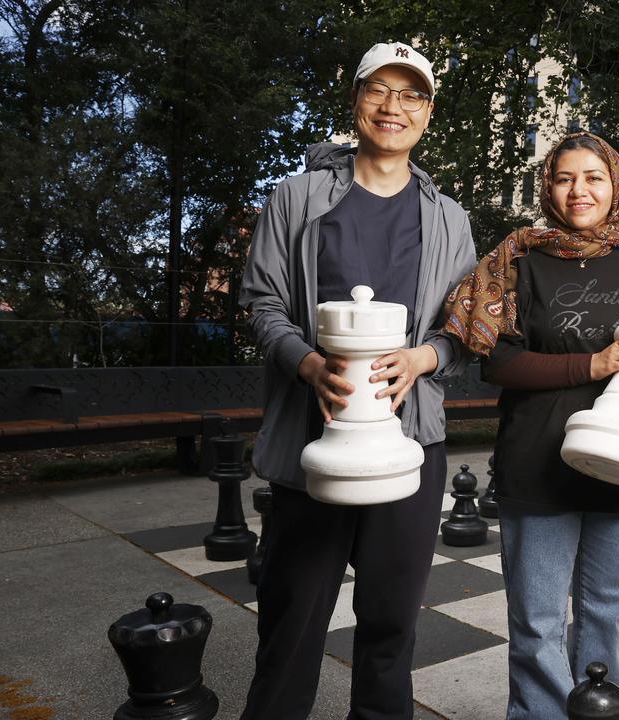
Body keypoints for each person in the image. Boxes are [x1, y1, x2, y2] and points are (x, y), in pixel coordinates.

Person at [238, 41, 476, 720]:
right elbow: (262, 302)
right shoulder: (298, 196)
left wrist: (424, 359)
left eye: (411, 95)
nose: (393, 107)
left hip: (410, 445)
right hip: (312, 443)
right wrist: (307, 363)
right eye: (380, 90)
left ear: (428, 113)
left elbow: (466, 329)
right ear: (357, 100)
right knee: (291, 621)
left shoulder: (449, 217)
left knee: (390, 627)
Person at [443, 132, 619, 719]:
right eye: (564, 178)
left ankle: (597, 711)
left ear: (617, 186)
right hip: (536, 462)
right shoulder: (519, 263)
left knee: (607, 608)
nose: (579, 190)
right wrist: (595, 362)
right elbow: (498, 364)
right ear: (548, 187)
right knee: (538, 620)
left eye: (594, 177)